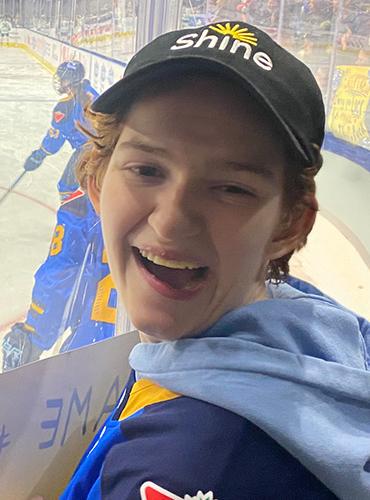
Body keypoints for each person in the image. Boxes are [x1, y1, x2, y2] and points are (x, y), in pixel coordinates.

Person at [61, 21, 370, 499]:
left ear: (289, 225)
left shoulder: (186, 468)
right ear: (98, 183)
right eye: (147, 170)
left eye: (231, 189)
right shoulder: (314, 327)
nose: (170, 222)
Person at [2, 61, 117, 371]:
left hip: (81, 360)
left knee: (68, 191)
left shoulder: (65, 107)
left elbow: (53, 140)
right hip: (119, 354)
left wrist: (38, 155)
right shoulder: (95, 96)